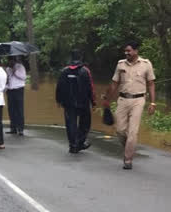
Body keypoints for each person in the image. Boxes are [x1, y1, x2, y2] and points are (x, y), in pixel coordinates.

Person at [102, 41, 156, 169]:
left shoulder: (146, 64)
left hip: (138, 100)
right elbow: (114, 83)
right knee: (120, 130)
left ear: (136, 51)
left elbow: (151, 84)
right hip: (122, 100)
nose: (126, 53)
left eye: (129, 51)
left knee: (133, 132)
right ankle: (130, 147)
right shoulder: (120, 65)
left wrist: (153, 102)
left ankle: (128, 159)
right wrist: (107, 98)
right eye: (125, 51)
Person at [56, 50, 96, 153]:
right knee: (85, 124)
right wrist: (93, 101)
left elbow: (59, 87)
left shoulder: (65, 71)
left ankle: (73, 145)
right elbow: (91, 88)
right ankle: (80, 143)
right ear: (81, 58)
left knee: (71, 124)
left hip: (68, 103)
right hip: (83, 102)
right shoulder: (85, 71)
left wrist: (59, 100)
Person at [5, 56, 27, 135]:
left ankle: (20, 129)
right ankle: (13, 128)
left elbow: (24, 77)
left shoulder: (20, 67)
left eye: (11, 61)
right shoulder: (7, 69)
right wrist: (6, 88)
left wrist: (15, 71)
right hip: (10, 91)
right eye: (9, 61)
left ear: (14, 60)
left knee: (19, 110)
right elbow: (8, 80)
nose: (9, 62)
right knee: (11, 110)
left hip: (18, 90)